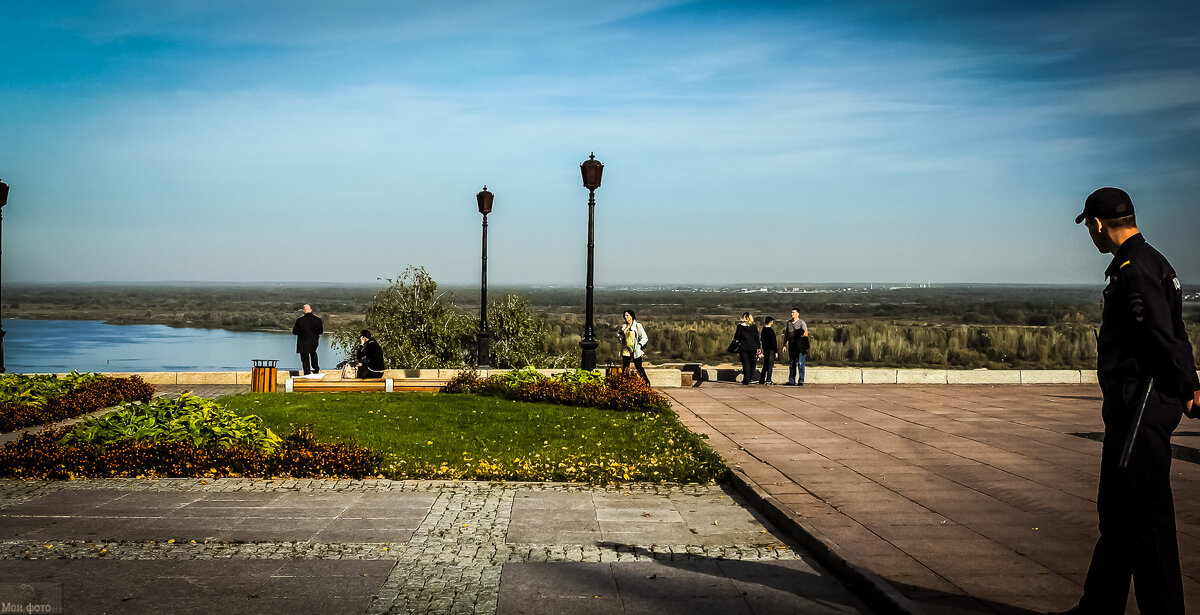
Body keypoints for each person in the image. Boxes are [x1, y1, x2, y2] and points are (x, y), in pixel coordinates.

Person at [1051, 187, 1200, 615]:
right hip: (1135, 406)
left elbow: (1159, 334)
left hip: (1141, 407)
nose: (1091, 236)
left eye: (1090, 228)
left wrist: (1185, 383)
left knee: (1146, 517)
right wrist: (1189, 384)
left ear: (1097, 224)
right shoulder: (1154, 262)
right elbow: (1177, 331)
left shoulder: (1133, 270)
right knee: (1118, 513)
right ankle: (1097, 607)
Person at [618, 310, 650, 384]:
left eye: (627, 315)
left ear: (631, 316)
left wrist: (639, 345)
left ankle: (646, 383)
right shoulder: (623, 326)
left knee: (639, 368)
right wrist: (621, 338)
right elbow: (618, 334)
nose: (626, 317)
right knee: (625, 368)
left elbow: (644, 337)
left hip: (635, 350)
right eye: (625, 315)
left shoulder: (638, 326)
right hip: (626, 349)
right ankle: (625, 384)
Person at [292, 304, 323, 375]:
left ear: (303, 311)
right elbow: (320, 332)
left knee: (305, 358)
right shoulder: (318, 320)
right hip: (314, 342)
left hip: (303, 342)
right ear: (311, 310)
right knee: (313, 353)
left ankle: (307, 372)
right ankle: (316, 368)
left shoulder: (300, 320)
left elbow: (295, 332)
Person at [732, 312, 761, 385]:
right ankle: (750, 378)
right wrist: (759, 347)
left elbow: (736, 337)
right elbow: (757, 338)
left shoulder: (740, 327)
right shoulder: (754, 326)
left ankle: (746, 380)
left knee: (745, 364)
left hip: (743, 347)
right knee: (752, 364)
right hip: (753, 347)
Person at [783, 308, 809, 386]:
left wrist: (798, 334)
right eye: (791, 312)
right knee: (792, 363)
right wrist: (784, 345)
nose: (792, 314)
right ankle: (791, 380)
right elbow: (786, 335)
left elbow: (806, 333)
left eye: (793, 313)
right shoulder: (789, 323)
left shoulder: (802, 323)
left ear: (798, 314)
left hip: (800, 345)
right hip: (791, 344)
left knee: (800, 363)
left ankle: (801, 380)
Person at [758, 317, 778, 385]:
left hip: (765, 349)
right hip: (770, 350)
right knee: (770, 365)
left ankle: (762, 379)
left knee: (765, 364)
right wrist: (776, 351)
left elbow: (762, 340)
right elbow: (773, 342)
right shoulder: (771, 331)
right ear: (770, 322)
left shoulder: (763, 330)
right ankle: (768, 380)